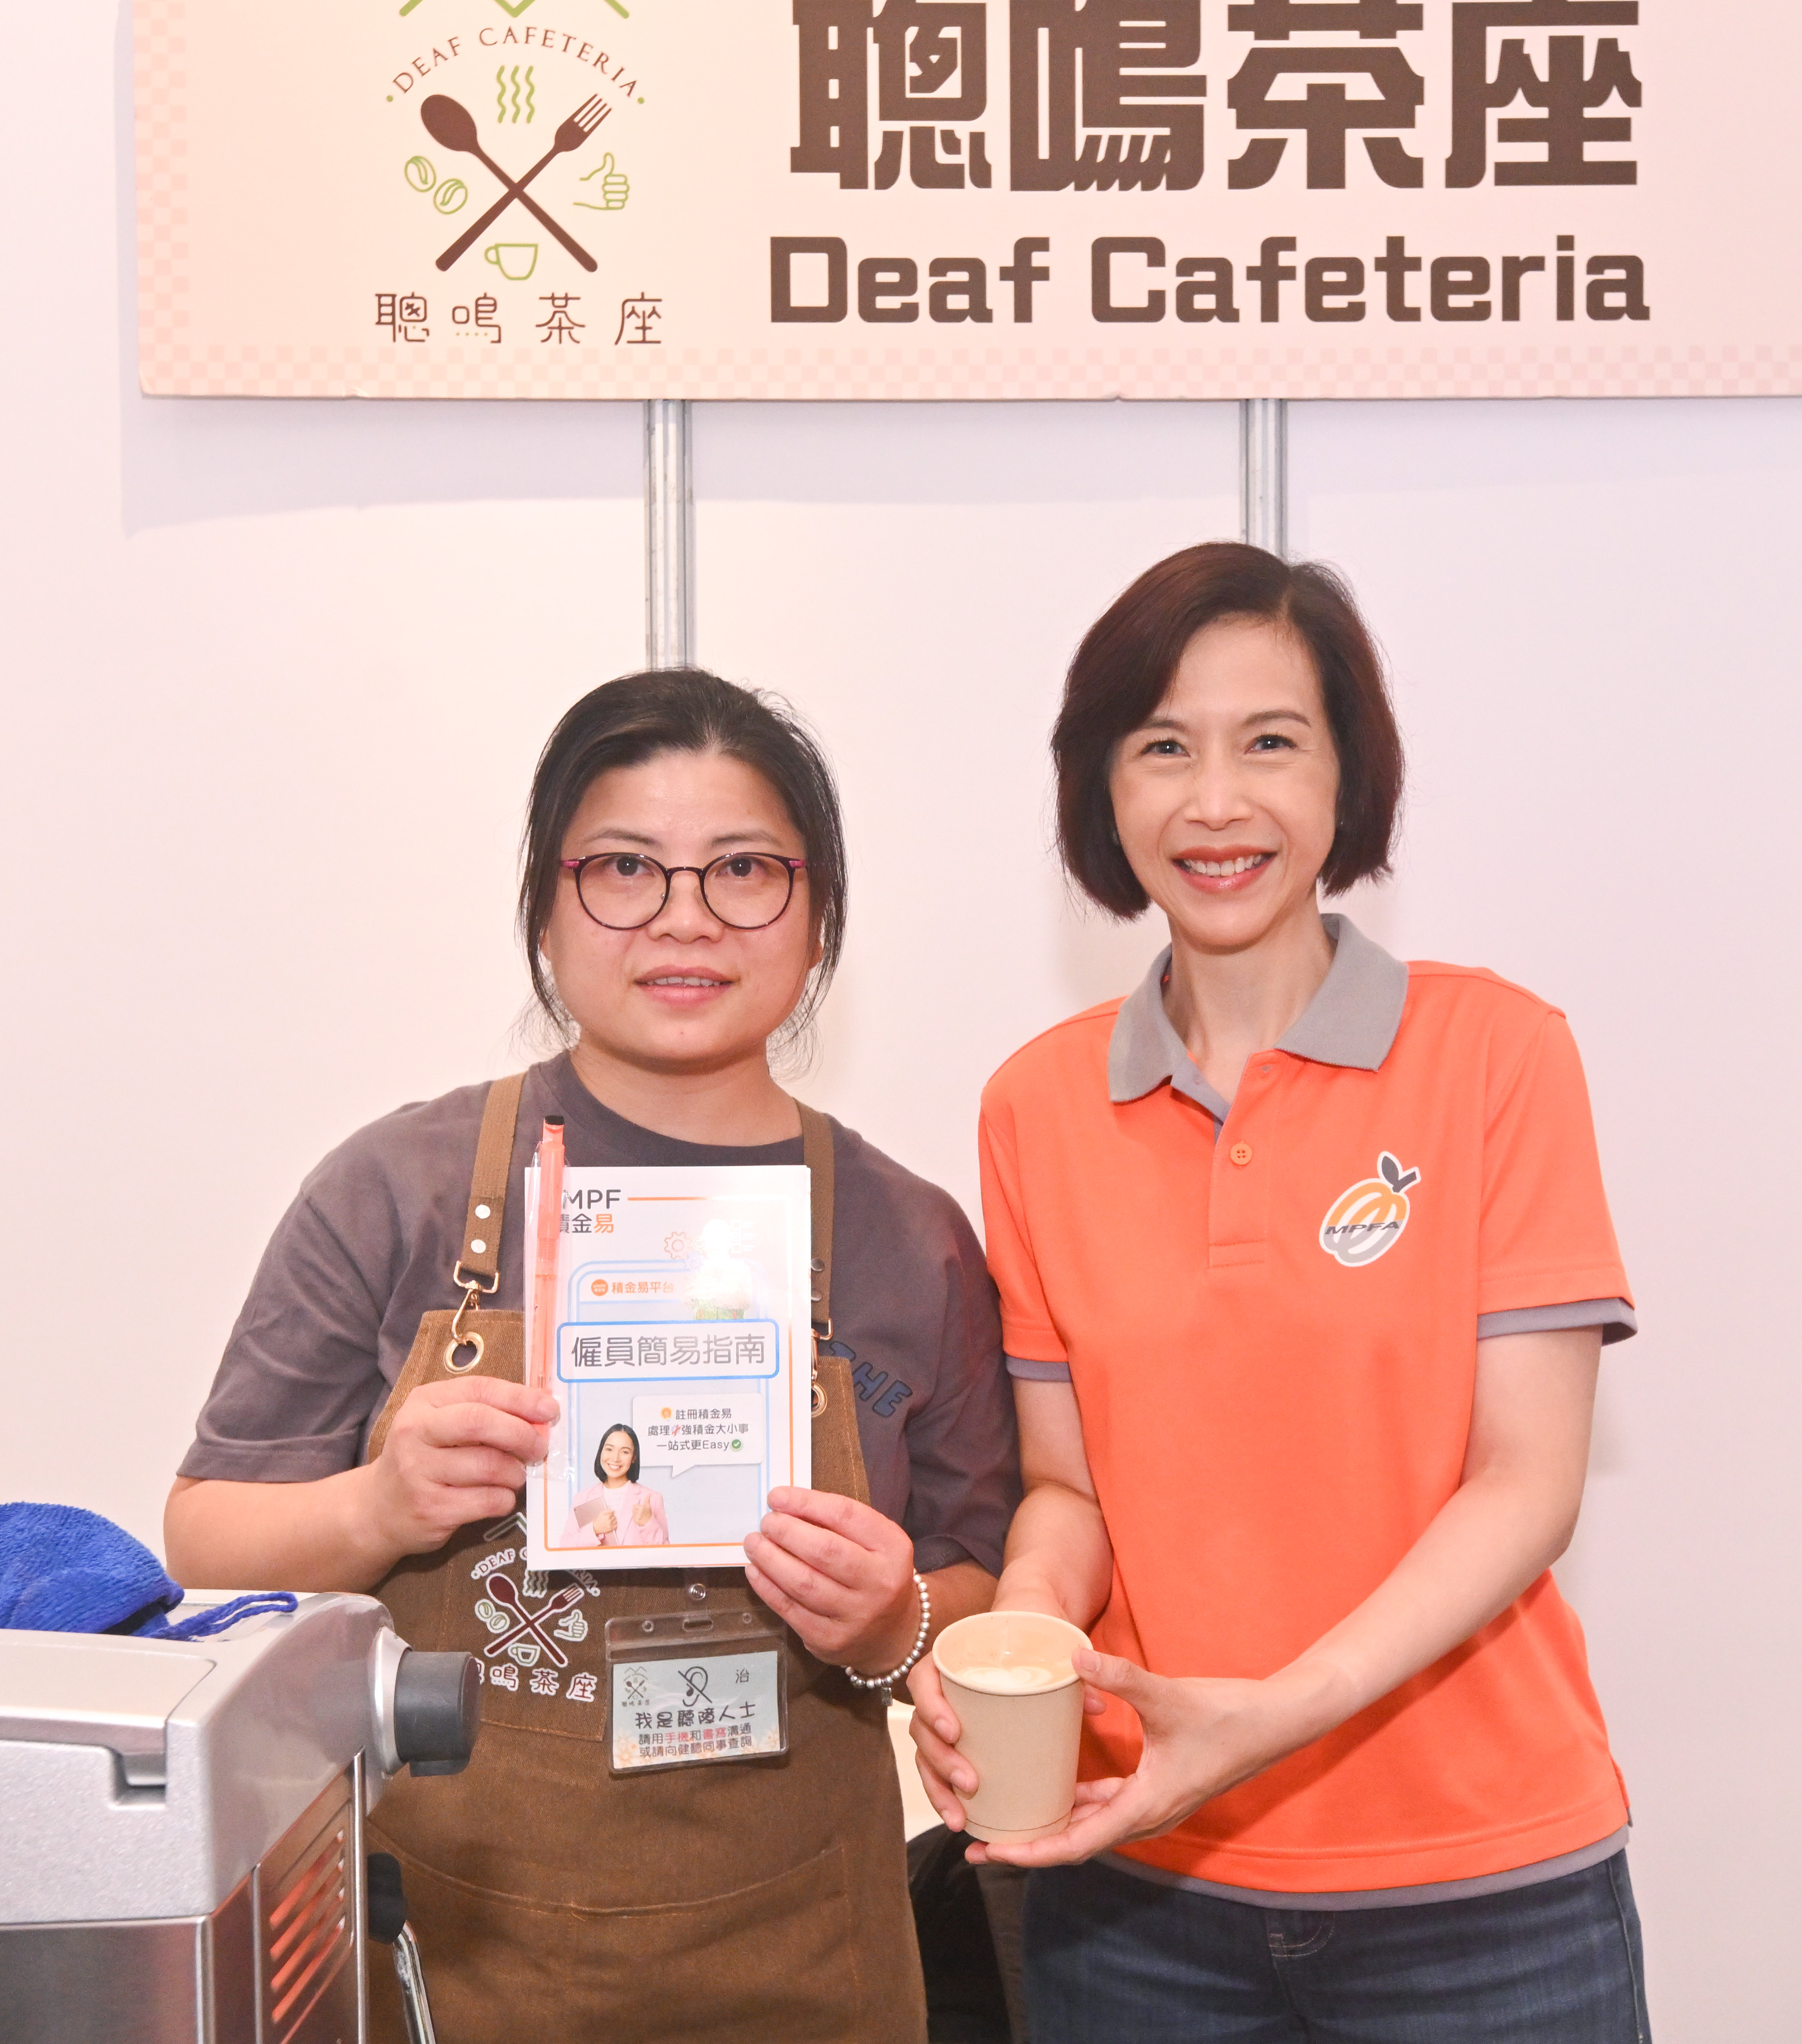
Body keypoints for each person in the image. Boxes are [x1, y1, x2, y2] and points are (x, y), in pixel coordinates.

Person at [167, 669, 1018, 2044]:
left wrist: (892, 1619)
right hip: (453, 1949)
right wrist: (379, 1504)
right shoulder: (398, 1189)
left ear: (816, 914)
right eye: (624, 867)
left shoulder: (907, 1235)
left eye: (742, 868)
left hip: (806, 1959)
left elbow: (983, 1582)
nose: (684, 916)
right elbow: (205, 1532)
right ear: (544, 906)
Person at [911, 544, 1651, 2042]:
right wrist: (1026, 1638)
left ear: (1345, 774)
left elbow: (1525, 1479)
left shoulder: (1494, 1053)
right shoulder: (1033, 1105)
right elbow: (1069, 1487)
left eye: (1267, 741)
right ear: (1100, 788)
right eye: (1160, 746)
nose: (1214, 801)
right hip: (1135, 1890)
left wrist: (1267, 1713)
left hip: (1482, 1891)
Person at [569, 1422, 668, 1548]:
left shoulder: (652, 1499)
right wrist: (594, 1529)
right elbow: (565, 1547)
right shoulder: (582, 1498)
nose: (616, 1458)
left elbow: (666, 1553)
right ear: (601, 1451)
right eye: (609, 1449)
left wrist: (648, 1523)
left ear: (634, 1458)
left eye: (625, 1452)